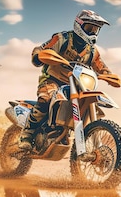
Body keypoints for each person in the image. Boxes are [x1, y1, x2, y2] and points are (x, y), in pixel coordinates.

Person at [19, 9, 115, 151]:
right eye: (90, 28)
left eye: (96, 29)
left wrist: (109, 75)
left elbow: (101, 66)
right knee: (45, 99)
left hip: (77, 85)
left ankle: (75, 137)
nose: (93, 32)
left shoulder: (92, 51)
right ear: (79, 25)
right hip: (52, 80)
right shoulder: (62, 39)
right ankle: (26, 136)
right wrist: (38, 55)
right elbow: (41, 48)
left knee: (89, 104)